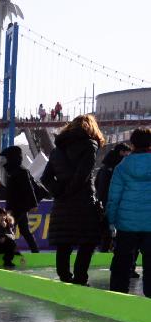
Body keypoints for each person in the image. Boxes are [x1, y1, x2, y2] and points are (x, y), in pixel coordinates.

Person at [40, 115, 104, 285]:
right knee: (88, 242)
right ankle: (80, 278)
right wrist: (69, 191)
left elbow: (45, 178)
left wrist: (59, 192)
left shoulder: (57, 150)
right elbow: (82, 175)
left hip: (62, 204)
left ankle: (64, 277)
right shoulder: (90, 145)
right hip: (83, 202)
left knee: (64, 242)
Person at [107, 128, 151, 296]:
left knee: (122, 263)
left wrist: (111, 221)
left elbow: (114, 198)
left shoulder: (121, 167)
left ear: (132, 144)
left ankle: (118, 298)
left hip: (126, 225)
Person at [1, 145, 41, 252]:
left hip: (17, 207)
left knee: (8, 229)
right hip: (18, 206)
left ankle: (8, 252)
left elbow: (29, 189)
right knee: (24, 230)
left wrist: (33, 204)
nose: (4, 160)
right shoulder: (12, 171)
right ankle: (35, 251)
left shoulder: (20, 172)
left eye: (6, 158)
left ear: (12, 158)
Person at [96, 143, 132, 252]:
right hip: (114, 203)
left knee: (106, 230)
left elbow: (97, 184)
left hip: (103, 203)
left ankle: (104, 249)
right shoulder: (116, 169)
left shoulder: (104, 168)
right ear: (121, 152)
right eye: (126, 155)